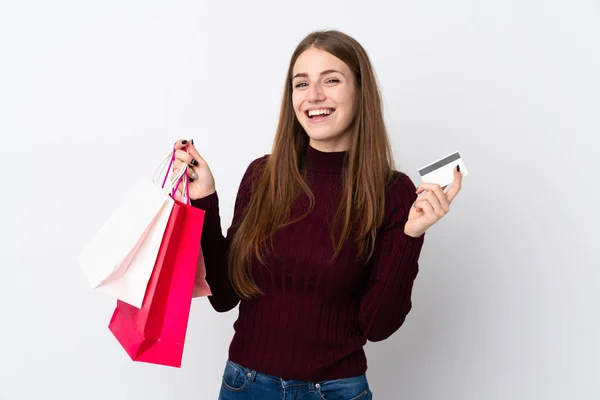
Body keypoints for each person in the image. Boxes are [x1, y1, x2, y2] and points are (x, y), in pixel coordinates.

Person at [171, 29, 462, 400]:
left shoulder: (392, 191)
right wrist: (206, 201)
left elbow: (377, 326)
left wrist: (411, 235)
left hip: (337, 391)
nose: (314, 96)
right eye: (301, 83)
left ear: (360, 92)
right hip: (245, 386)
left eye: (332, 80)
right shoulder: (262, 175)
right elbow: (224, 297)